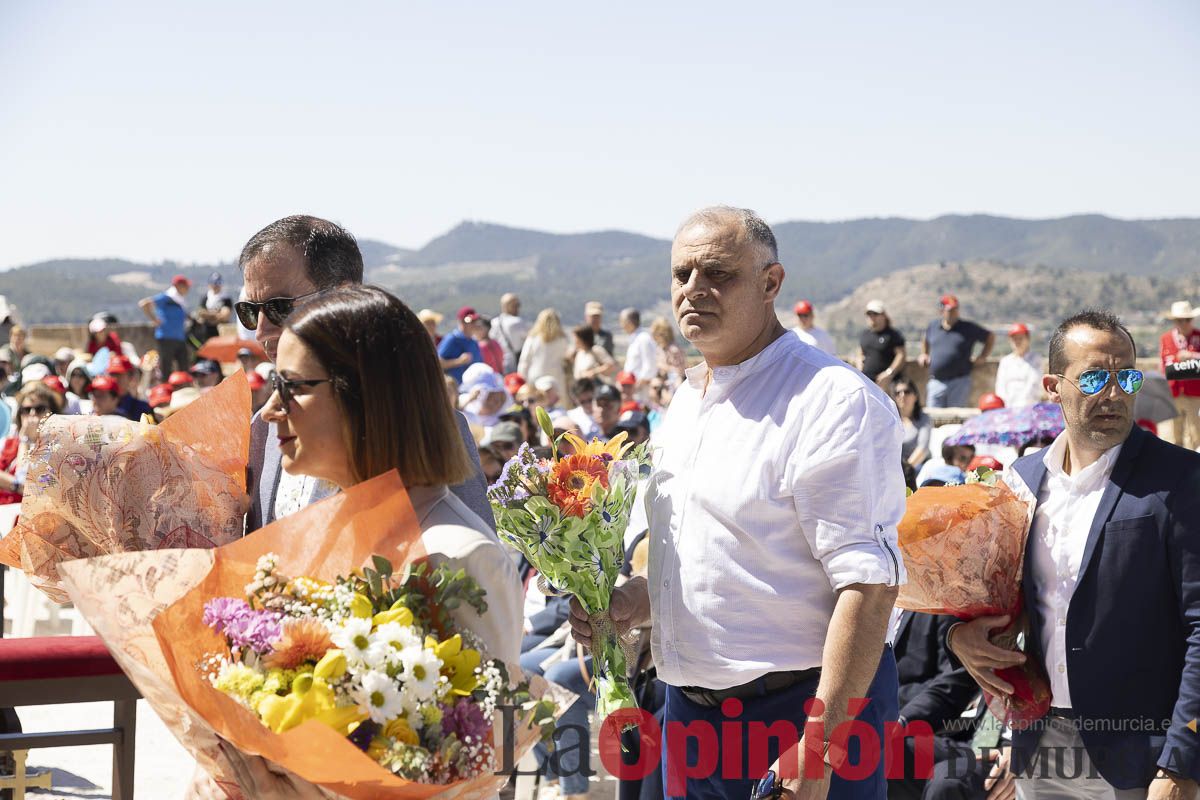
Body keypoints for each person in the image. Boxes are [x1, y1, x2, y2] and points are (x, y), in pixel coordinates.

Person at [570, 207, 905, 800]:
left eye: (717, 273)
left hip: (806, 715)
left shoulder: (831, 400)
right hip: (690, 720)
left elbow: (870, 586)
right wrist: (630, 602)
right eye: (681, 275)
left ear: (771, 283)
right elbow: (718, 558)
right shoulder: (684, 402)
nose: (693, 289)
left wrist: (820, 746)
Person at [220, 284, 522, 798]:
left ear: (364, 394)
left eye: (291, 386)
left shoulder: (460, 557)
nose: (271, 409)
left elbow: (483, 769)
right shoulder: (325, 531)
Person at [948, 309, 1200, 798]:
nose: (1113, 393)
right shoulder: (1019, 483)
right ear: (1052, 386)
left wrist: (1181, 764)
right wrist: (961, 636)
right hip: (1039, 749)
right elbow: (998, 603)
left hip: (1144, 758)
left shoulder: (1183, 480)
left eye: (1126, 376)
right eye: (1093, 378)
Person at [236, 214, 492, 535]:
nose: (261, 330)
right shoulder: (263, 430)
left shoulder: (426, 427)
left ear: (343, 294)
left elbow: (468, 572)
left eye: (278, 306)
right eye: (249, 311)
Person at [919, 295, 994, 409]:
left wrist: (983, 356)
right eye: (950, 310)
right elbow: (925, 339)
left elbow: (990, 336)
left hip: (959, 382)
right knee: (933, 419)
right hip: (936, 382)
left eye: (955, 309)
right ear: (941, 311)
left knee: (955, 420)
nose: (953, 313)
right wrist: (924, 354)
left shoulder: (967, 328)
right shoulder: (933, 326)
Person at [0, 383, 63, 503]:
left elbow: (26, 482)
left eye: (39, 409)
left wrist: (26, 441)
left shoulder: (57, 449)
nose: (32, 414)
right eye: (26, 410)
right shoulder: (7, 443)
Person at [1159, 300, 1200, 450]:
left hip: (1195, 393)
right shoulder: (1166, 339)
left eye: (1187, 320)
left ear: (1192, 320)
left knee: (1196, 433)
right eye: (1179, 320)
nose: (1183, 323)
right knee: (1173, 433)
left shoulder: (1199, 336)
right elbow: (1164, 364)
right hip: (1173, 392)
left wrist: (1192, 355)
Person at [139, 274, 194, 376]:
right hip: (166, 338)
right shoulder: (166, 298)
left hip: (179, 338)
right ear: (178, 286)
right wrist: (154, 319)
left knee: (184, 369)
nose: (187, 289)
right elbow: (144, 304)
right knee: (166, 369)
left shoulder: (180, 301)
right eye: (186, 286)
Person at [518, 308, 570, 393]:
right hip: (556, 377)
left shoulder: (533, 338)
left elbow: (524, 360)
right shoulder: (563, 339)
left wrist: (522, 378)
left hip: (535, 376)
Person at [994, 322, 1044, 408]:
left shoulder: (1036, 359)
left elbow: (1034, 384)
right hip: (1008, 407)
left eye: (1020, 338)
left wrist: (1022, 406)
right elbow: (1000, 387)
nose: (1017, 342)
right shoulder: (1005, 362)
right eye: (1014, 339)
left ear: (1028, 339)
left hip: (1028, 407)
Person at [860, 300, 907, 389]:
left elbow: (901, 355)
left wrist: (889, 373)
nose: (872, 317)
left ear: (884, 315)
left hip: (887, 383)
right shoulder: (865, 334)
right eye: (869, 314)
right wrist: (859, 363)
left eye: (875, 314)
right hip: (867, 382)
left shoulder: (893, 335)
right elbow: (861, 351)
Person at [893, 376, 932, 470]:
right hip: (896, 468)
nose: (902, 395)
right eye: (898, 393)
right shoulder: (891, 419)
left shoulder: (924, 418)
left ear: (915, 396)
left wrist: (906, 470)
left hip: (916, 466)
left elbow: (923, 448)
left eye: (906, 392)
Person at [437, 306, 483, 383]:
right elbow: (438, 363)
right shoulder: (452, 339)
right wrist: (458, 361)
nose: (473, 324)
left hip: (472, 388)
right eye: (469, 321)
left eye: (475, 321)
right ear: (461, 322)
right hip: (454, 389)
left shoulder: (474, 342)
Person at [621, 308, 660, 395]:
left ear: (629, 322)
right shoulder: (635, 339)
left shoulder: (643, 339)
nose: (621, 325)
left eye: (622, 322)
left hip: (641, 391)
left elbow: (650, 366)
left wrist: (636, 386)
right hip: (633, 389)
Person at [491, 292, 530, 374]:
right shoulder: (517, 322)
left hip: (497, 366)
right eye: (516, 305)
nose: (518, 308)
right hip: (514, 365)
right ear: (508, 306)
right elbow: (531, 337)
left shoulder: (494, 322)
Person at [191, 271, 234, 347]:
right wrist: (217, 314)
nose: (215, 285)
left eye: (218, 283)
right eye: (213, 283)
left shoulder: (226, 299)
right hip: (206, 332)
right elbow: (200, 313)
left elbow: (225, 316)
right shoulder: (205, 297)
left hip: (220, 332)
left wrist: (208, 315)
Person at [106, 355, 152, 421]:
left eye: (119, 374)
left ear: (130, 377)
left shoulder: (142, 408)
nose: (114, 379)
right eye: (112, 374)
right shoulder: (100, 405)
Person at [651, 316, 687, 387]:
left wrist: (663, 366)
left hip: (673, 383)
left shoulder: (674, 350)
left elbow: (680, 371)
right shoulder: (660, 348)